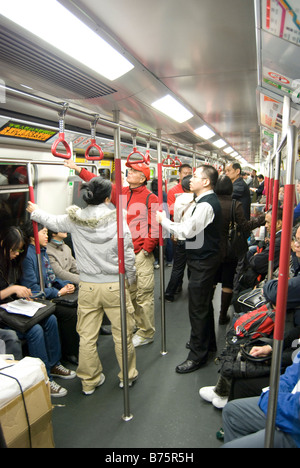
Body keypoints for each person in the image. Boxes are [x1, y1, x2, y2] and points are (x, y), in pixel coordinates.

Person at [27, 177, 138, 394]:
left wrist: (36, 211)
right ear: (107, 198)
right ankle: (127, 376)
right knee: (122, 334)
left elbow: (51, 221)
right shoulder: (118, 220)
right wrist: (130, 281)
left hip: (87, 286)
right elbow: (128, 256)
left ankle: (89, 381)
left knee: (87, 336)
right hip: (114, 285)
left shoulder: (74, 219)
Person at [64, 158, 159, 348]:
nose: (127, 173)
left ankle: (147, 332)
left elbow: (155, 227)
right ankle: (135, 326)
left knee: (144, 296)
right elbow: (100, 183)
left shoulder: (151, 198)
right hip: (125, 252)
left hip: (141, 254)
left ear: (142, 178)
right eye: (128, 171)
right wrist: (78, 169)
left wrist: (146, 250)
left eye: (132, 172)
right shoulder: (122, 193)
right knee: (129, 294)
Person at [157, 165, 222, 373]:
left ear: (206, 182)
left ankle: (197, 355)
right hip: (202, 258)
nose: (190, 180)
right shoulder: (202, 201)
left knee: (197, 308)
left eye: (195, 176)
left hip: (203, 261)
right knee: (204, 305)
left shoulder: (205, 205)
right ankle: (208, 344)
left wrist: (163, 221)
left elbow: (186, 230)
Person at [0, 226, 75, 397]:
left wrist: (21, 293)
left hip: (12, 306)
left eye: (19, 250)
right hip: (3, 315)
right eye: (14, 250)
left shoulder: (13, 261)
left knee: (50, 319)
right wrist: (13, 290)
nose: (17, 254)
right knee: (35, 330)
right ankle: (44, 379)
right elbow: (9, 290)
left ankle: (54, 364)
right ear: (3, 245)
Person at [21, 222, 79, 364]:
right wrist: (58, 292)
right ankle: (70, 353)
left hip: (50, 291)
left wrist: (66, 286)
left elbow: (51, 276)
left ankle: (75, 350)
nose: (46, 236)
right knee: (67, 313)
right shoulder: (29, 256)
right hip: (40, 299)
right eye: (44, 233)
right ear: (33, 236)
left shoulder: (42, 252)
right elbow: (34, 289)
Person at [214, 175, 265, 324]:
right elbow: (245, 226)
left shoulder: (208, 203)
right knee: (228, 282)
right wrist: (262, 219)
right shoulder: (234, 205)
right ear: (230, 189)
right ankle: (223, 316)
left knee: (211, 280)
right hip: (230, 250)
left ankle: (206, 314)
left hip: (212, 249)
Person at [221, 353, 300, 448]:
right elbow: (292, 374)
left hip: (296, 427)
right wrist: (273, 392)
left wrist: (269, 399)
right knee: (231, 411)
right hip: (290, 404)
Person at [164, 175, 194, 302]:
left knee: (177, 267)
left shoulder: (178, 199)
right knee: (193, 266)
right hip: (194, 237)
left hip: (181, 236)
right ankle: (192, 292)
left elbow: (176, 219)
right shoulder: (198, 200)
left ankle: (170, 292)